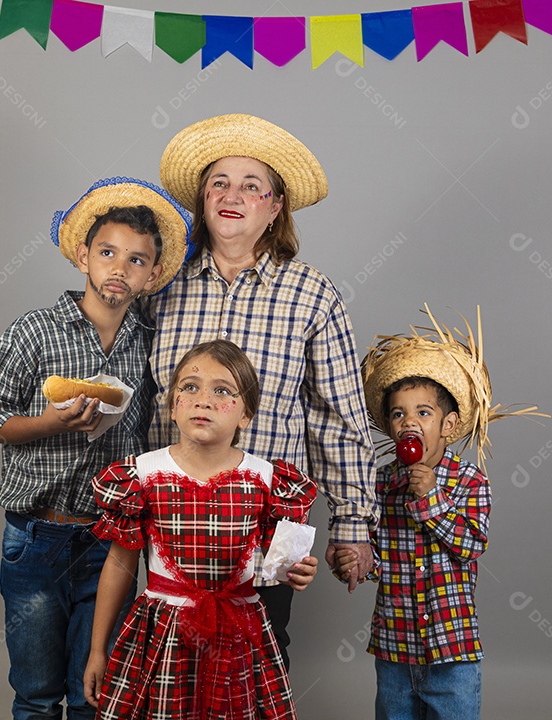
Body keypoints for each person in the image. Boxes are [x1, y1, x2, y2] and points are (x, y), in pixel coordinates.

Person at [142, 113, 379, 668]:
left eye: (253, 186)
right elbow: (132, 395)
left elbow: (337, 419)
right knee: (172, 654)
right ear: (202, 199)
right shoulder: (159, 286)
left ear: (275, 208)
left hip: (267, 517)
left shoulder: (311, 294)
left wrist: (351, 523)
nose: (233, 195)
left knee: (258, 655)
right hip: (169, 509)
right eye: (219, 182)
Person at [0, 177, 191, 720]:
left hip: (109, 541)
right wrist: (51, 423)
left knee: (95, 695)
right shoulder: (32, 333)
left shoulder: (148, 347)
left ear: (151, 275)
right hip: (35, 535)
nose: (120, 268)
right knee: (36, 693)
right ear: (83, 256)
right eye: (107, 252)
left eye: (137, 260)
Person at [82, 339, 319, 719]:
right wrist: (97, 649)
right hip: (164, 633)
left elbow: (283, 566)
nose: (203, 400)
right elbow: (120, 565)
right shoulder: (141, 476)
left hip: (239, 636)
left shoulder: (269, 481)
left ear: (245, 414)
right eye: (189, 387)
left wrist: (299, 570)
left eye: (222, 390)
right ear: (173, 406)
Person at [336, 305, 545, 720]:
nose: (409, 422)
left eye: (423, 413)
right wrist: (356, 560)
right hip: (394, 647)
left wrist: (430, 498)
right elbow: (379, 561)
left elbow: (471, 545)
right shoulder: (380, 483)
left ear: (448, 425)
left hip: (452, 649)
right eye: (398, 414)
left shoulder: (469, 481)